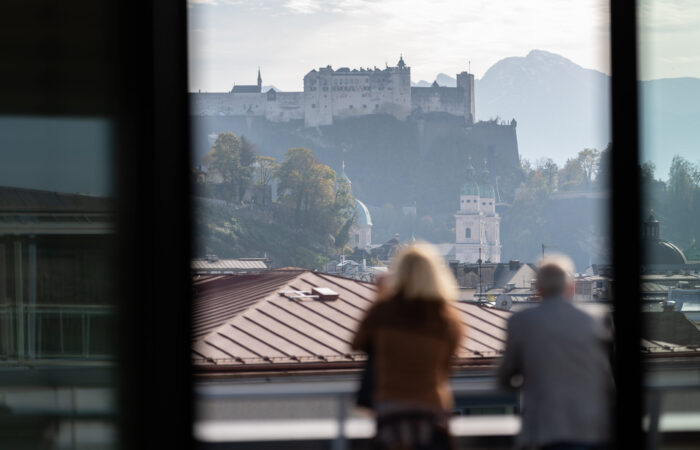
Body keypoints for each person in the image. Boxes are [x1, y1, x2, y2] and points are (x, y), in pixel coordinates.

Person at [352, 242, 464, 450]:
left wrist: (380, 296)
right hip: (432, 410)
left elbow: (357, 343)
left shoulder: (384, 310)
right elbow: (447, 364)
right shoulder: (447, 318)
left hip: (392, 409)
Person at [497, 254, 614, 450]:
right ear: (572, 287)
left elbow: (505, 376)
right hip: (593, 427)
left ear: (538, 289)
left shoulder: (522, 321)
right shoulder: (595, 319)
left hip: (545, 429)